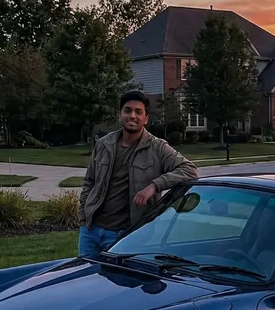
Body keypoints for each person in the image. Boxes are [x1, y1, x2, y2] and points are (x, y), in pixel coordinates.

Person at [78, 90, 198, 257]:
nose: (132, 116)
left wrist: (154, 186)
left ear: (146, 119)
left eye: (138, 112)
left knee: (119, 281)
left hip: (124, 235)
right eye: (127, 110)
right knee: (85, 280)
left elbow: (189, 170)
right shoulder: (104, 144)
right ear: (120, 115)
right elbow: (89, 182)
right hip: (91, 231)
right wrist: (83, 217)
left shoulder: (158, 148)